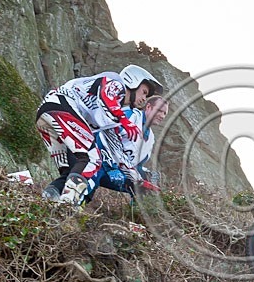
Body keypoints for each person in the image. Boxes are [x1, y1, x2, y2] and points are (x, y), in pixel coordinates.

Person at [36, 64, 164, 204]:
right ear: (133, 81)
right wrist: (125, 121)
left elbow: (117, 151)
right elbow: (106, 96)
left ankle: (49, 198)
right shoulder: (115, 82)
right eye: (144, 92)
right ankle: (69, 202)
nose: (144, 99)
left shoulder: (113, 118)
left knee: (73, 168)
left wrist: (137, 179)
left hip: (46, 114)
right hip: (61, 105)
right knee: (92, 159)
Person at [83, 95, 170, 201]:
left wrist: (147, 176)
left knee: (144, 188)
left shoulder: (150, 138)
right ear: (148, 107)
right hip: (96, 160)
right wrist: (111, 168)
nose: (162, 115)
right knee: (91, 179)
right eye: (159, 110)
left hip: (119, 173)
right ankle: (70, 205)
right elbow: (103, 136)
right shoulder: (131, 116)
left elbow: (136, 165)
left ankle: (136, 215)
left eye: (165, 113)